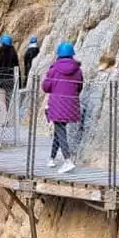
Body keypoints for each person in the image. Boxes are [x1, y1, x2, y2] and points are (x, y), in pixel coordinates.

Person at [42, 40, 84, 173]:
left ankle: (67, 160)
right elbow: (79, 87)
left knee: (60, 131)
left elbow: (46, 87)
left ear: (59, 55)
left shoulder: (53, 69)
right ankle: (51, 158)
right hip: (71, 104)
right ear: (72, 55)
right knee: (59, 131)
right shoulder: (77, 70)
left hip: (57, 104)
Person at [0, 33, 20, 110]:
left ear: (2, 43)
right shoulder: (13, 53)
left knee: (2, 100)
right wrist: (19, 81)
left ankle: (5, 119)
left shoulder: (0, 52)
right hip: (10, 80)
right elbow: (17, 67)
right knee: (8, 99)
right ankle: (8, 115)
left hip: (0, 80)